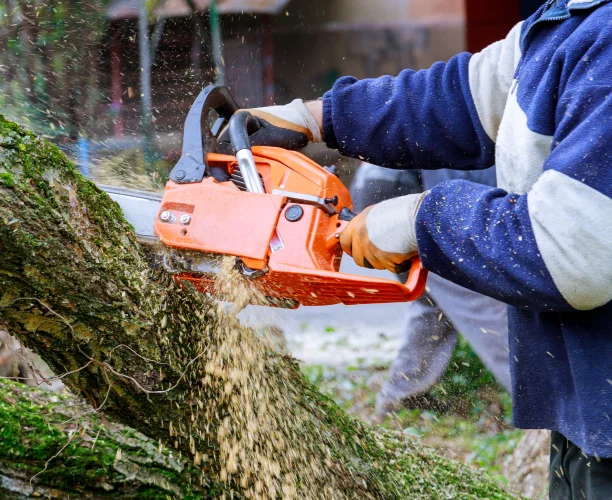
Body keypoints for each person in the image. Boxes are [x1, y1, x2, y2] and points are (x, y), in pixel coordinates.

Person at [234, 1, 612, 496]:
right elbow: (461, 95)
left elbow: (574, 252)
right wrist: (315, 117)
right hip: (589, 411)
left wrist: (420, 221)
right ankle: (408, 393)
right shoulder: (567, 21)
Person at [350, 164, 512, 416]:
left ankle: (401, 397)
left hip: (382, 193)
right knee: (482, 305)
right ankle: (545, 404)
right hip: (399, 200)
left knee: (431, 303)